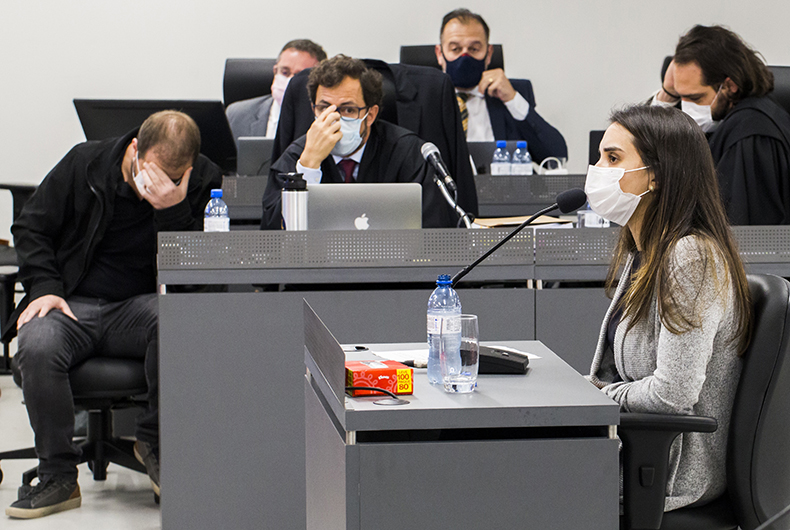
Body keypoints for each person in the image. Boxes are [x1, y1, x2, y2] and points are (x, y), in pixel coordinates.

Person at [4, 111, 222, 519]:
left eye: (173, 178)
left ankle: (154, 446)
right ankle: (58, 475)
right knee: (37, 343)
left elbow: (200, 276)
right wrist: (46, 287)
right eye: (152, 173)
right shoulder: (85, 163)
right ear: (135, 149)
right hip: (73, 302)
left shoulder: (202, 181)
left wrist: (173, 210)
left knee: (179, 322)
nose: (157, 185)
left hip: (140, 306)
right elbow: (31, 228)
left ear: (189, 169)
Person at [585, 105, 752, 511]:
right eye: (600, 157)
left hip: (667, 468)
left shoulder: (690, 256)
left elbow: (672, 394)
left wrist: (602, 395)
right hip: (632, 447)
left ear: (656, 176)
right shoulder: (644, 251)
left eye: (613, 158)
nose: (597, 170)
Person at [262, 54, 455, 229]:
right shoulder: (299, 154)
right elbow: (272, 235)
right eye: (324, 108)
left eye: (348, 110)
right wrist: (308, 167)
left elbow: (434, 231)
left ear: (370, 115)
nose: (334, 119)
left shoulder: (408, 153)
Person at [650, 26, 790, 224]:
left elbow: (744, 232)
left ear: (730, 86)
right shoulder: (730, 121)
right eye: (680, 97)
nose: (687, 109)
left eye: (695, 98)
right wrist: (667, 95)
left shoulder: (749, 136)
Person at [434, 8, 567, 164]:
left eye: (474, 49)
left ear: (489, 53)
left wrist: (512, 99)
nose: (465, 56)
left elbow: (556, 157)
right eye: (455, 49)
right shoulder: (424, 99)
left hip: (501, 180)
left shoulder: (512, 93)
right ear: (439, 53)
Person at [226, 39, 327, 141]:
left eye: (299, 75)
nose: (290, 81)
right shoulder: (237, 114)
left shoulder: (324, 119)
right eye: (285, 72)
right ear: (275, 71)